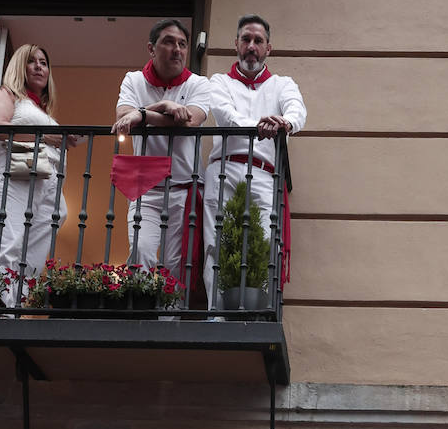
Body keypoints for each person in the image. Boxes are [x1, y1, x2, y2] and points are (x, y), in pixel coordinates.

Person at [204, 15, 306, 303]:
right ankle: (216, 313)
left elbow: (298, 112)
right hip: (224, 168)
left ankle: (255, 311)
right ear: (236, 44)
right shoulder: (219, 82)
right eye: (246, 40)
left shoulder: (282, 84)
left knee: (263, 244)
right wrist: (262, 127)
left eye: (258, 41)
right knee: (215, 243)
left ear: (268, 48)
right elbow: (225, 114)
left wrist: (284, 122)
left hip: (264, 173)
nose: (251, 46)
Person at [112, 18, 210, 280]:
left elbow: (191, 121)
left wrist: (142, 115)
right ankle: (142, 317)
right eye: (168, 42)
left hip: (183, 187)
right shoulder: (133, 80)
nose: (177, 49)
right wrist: (164, 107)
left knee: (176, 264)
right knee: (141, 250)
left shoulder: (198, 84)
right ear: (151, 48)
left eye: (182, 44)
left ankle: (172, 318)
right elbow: (123, 115)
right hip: (145, 187)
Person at [0, 44, 79, 308]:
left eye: (44, 62)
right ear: (19, 67)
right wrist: (45, 136)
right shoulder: (8, 94)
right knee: (9, 239)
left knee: (49, 226)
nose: (39, 66)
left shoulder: (42, 110)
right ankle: (1, 304)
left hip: (46, 179)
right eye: (32, 61)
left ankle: (18, 301)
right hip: (17, 175)